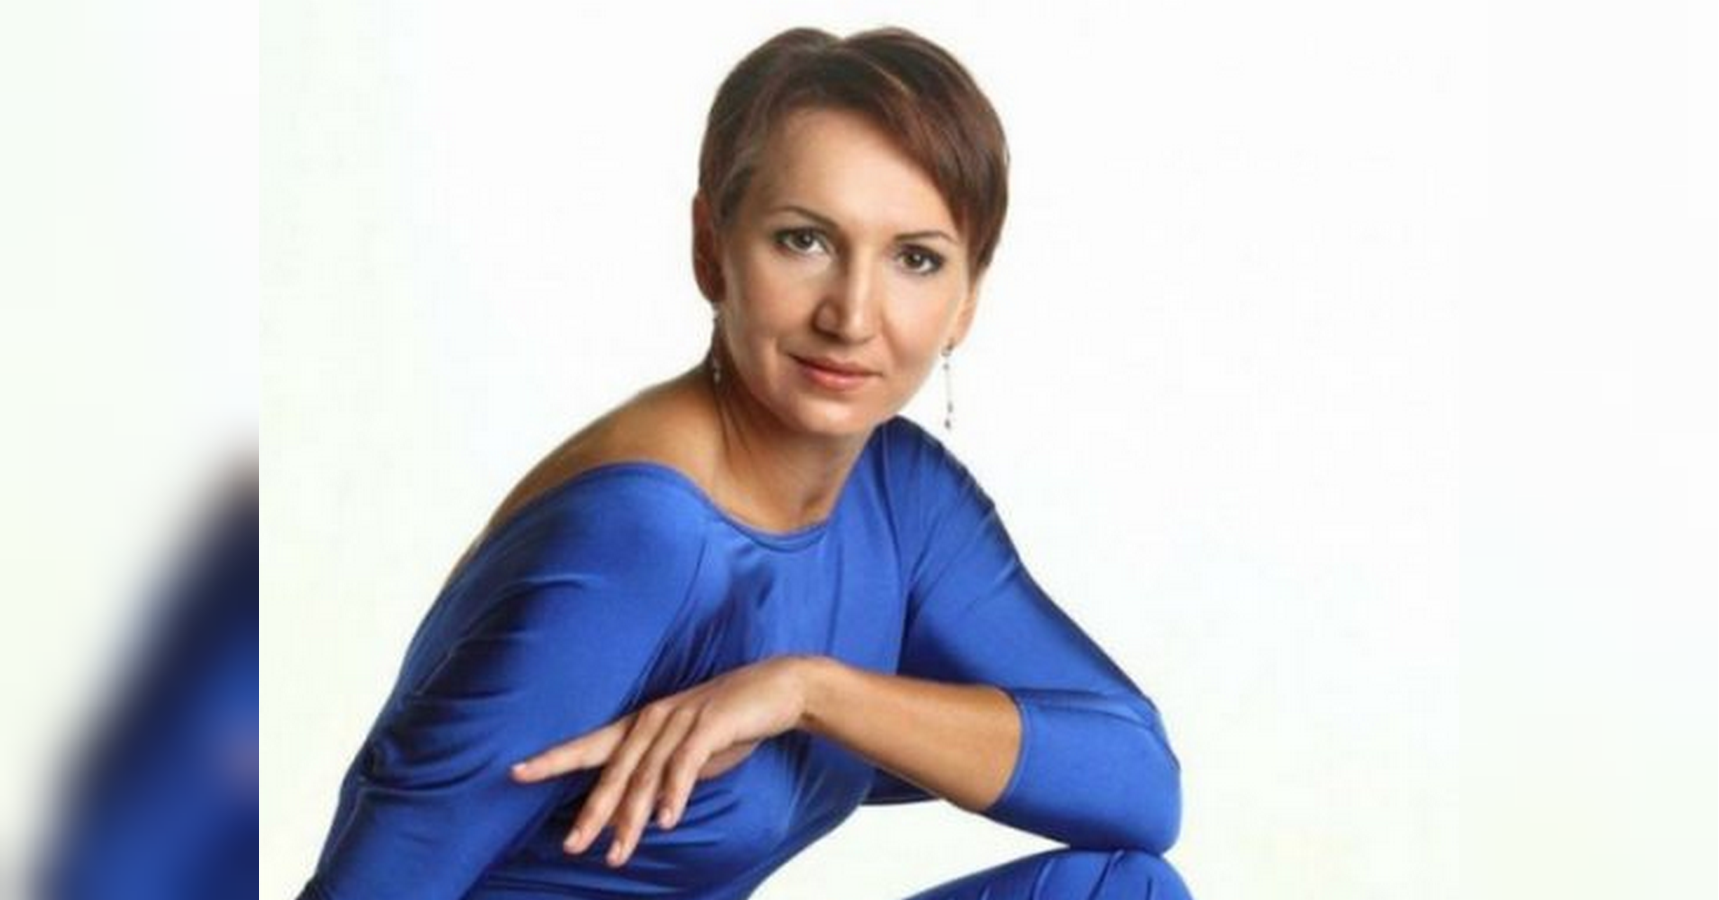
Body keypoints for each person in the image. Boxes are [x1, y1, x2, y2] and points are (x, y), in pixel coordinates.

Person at [297, 25, 1191, 900]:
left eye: (915, 259)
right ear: (710, 245)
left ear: (965, 302)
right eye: (804, 240)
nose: (851, 315)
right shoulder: (635, 537)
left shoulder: (903, 500)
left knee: (1124, 892)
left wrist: (808, 691)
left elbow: (1140, 788)